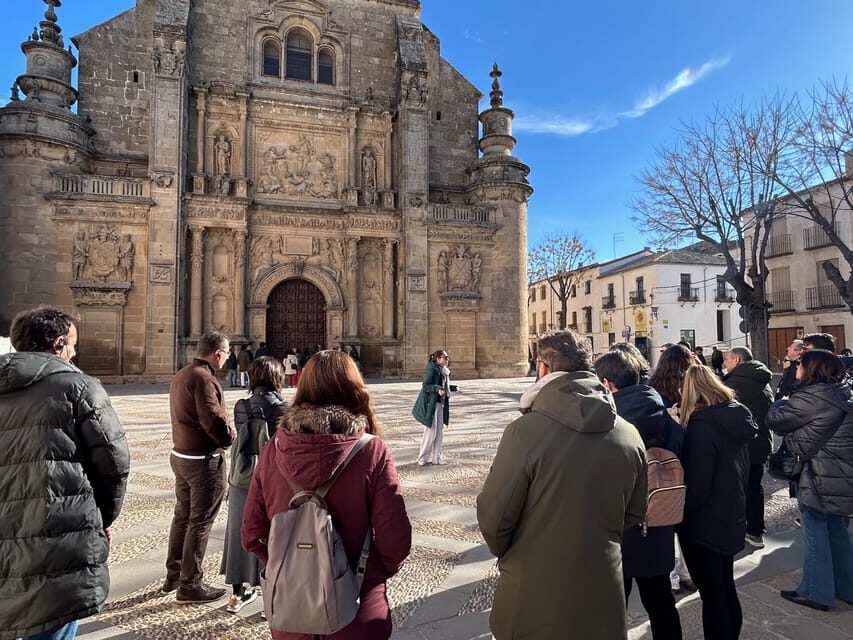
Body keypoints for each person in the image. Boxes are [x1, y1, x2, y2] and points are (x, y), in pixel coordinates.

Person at [477, 330, 647, 639]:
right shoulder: (629, 434)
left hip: (532, 594)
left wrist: (518, 554)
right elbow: (635, 512)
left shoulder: (524, 432)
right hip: (603, 593)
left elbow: (495, 518)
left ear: (542, 368)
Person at [242, 350, 412, 639]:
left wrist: (288, 567)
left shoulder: (272, 450)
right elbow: (395, 540)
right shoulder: (371, 451)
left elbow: (250, 533)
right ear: (355, 389)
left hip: (291, 615)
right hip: (357, 610)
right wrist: (369, 575)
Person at [0, 307, 130, 639]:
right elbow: (113, 463)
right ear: (58, 344)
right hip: (58, 538)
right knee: (51, 619)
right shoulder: (78, 386)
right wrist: (101, 519)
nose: (75, 352)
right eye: (72, 345)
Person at [594, 351, 683, 640]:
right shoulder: (662, 412)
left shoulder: (605, 419)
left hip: (617, 526)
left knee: (611, 607)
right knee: (660, 602)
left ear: (608, 384)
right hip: (657, 523)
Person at [766, 349, 853, 611]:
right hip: (840, 471)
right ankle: (846, 587)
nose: (795, 368)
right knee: (837, 531)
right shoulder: (843, 391)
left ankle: (816, 592)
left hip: (818, 473)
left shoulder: (811, 398)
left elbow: (775, 420)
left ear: (812, 368)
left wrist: (779, 400)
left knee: (815, 531)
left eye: (799, 364)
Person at [677, 365, 756, 640]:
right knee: (725, 587)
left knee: (713, 596)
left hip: (705, 525)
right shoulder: (736, 415)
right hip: (731, 514)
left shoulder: (701, 428)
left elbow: (698, 488)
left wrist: (680, 515)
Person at [163, 331, 236, 603]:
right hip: (203, 461)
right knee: (201, 521)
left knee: (182, 516)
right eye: (227, 354)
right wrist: (229, 437)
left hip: (181, 456)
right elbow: (213, 420)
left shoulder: (183, 373)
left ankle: (174, 574)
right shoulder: (204, 378)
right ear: (218, 353)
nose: (227, 359)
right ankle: (190, 584)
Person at [221, 357, 287, 614]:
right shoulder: (285, 408)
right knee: (274, 533)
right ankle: (273, 596)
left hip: (243, 477)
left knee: (239, 530)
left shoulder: (241, 406)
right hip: (273, 477)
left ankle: (237, 593)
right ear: (277, 378)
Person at [648, 343, 695, 593]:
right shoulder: (692, 387)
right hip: (687, 458)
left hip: (662, 461)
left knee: (664, 519)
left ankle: (670, 576)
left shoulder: (652, 389)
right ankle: (686, 573)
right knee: (684, 521)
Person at [722, 347, 773, 549]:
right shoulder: (761, 378)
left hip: (741, 446)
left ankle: (743, 530)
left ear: (737, 360)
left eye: (727, 359)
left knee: (739, 490)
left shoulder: (737, 382)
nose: (725, 363)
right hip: (760, 443)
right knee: (754, 488)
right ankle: (755, 530)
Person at [412, 350, 458, 466]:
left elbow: (444, 386)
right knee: (430, 432)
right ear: (438, 358)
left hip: (441, 403)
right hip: (431, 404)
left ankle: (436, 457)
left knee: (439, 432)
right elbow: (426, 386)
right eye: (445, 357)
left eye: (447, 357)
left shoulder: (444, 370)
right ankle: (423, 457)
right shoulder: (432, 368)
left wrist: (454, 388)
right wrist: (437, 389)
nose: (447, 359)